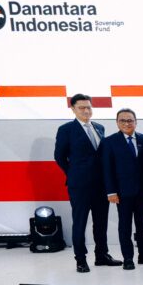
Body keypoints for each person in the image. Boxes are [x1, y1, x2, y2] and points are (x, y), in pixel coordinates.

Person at [53, 93, 120, 273]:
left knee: (101, 223)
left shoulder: (99, 127)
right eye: (81, 107)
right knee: (80, 223)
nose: (86, 111)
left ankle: (102, 255)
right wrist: (74, 173)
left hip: (101, 185)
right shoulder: (66, 129)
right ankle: (81, 259)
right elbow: (59, 156)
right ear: (73, 109)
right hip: (80, 186)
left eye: (88, 107)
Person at [101, 108, 143, 270]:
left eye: (130, 120)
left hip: (142, 192)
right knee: (125, 226)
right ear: (117, 122)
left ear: (136, 122)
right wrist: (111, 191)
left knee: (142, 225)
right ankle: (128, 258)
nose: (127, 123)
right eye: (123, 120)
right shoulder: (109, 142)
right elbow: (107, 169)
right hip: (122, 193)